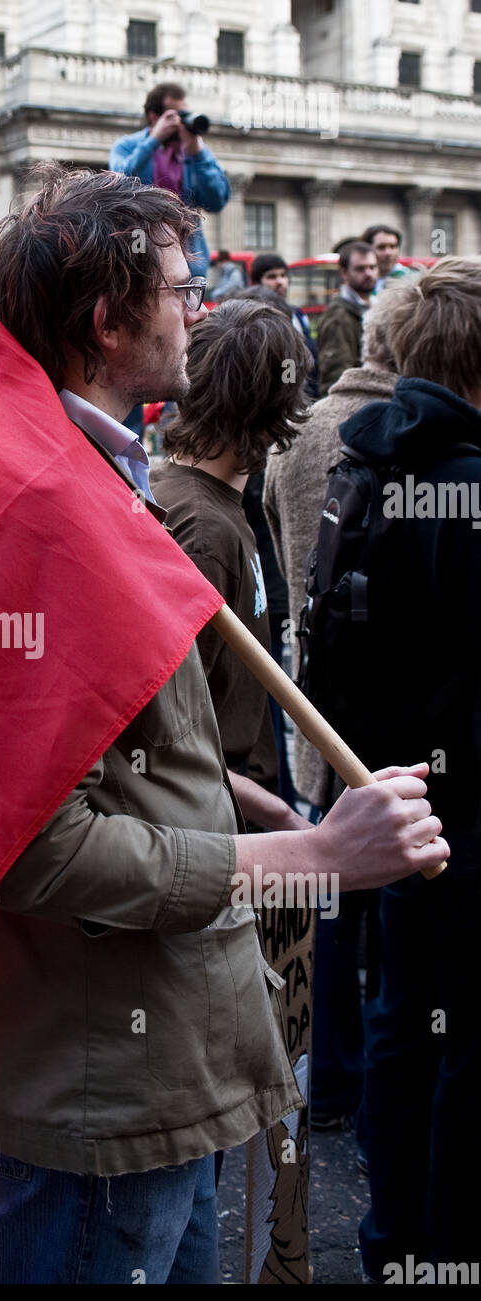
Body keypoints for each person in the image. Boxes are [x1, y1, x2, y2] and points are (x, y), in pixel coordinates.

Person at [0, 164, 448, 1286]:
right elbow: (31, 843)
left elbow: (115, 755)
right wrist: (308, 855)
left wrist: (224, 790)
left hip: (157, 1048)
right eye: (178, 286)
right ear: (107, 322)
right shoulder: (41, 513)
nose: (197, 308)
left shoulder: (99, 480)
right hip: (101, 1070)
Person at [326, 257, 481, 1284]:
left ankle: (394, 1242)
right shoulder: (463, 480)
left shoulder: (363, 460)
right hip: (462, 798)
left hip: (393, 788)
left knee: (401, 1018)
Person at [263, 286, 404, 1139]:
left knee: (331, 892)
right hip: (383, 695)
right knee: (386, 900)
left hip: (311, 680)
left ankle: (329, 1074)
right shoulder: (399, 439)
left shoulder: (306, 428)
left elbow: (284, 555)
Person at [151, 298, 311, 834]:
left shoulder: (197, 498)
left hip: (237, 796)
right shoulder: (204, 531)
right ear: (278, 409)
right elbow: (166, 732)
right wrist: (283, 817)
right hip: (218, 817)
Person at [108, 82, 230, 279]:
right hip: (140, 248)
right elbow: (120, 181)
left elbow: (216, 201)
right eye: (175, 116)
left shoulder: (195, 152)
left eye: (184, 115)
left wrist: (198, 156)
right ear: (154, 117)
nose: (182, 122)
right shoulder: (128, 145)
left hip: (188, 259)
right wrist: (153, 140)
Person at [249, 252, 319, 396]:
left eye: (283, 275)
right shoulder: (252, 318)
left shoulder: (298, 314)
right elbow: (287, 363)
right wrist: (289, 393)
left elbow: (306, 356)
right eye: (272, 276)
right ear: (256, 282)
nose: (280, 281)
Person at [316, 240, 378, 396]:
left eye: (372, 267)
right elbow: (335, 377)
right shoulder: (338, 315)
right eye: (360, 269)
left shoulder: (376, 306)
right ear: (344, 273)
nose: (368, 273)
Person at [360, 223, 410, 293]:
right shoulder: (358, 281)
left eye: (393, 246)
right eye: (381, 247)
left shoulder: (410, 280)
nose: (388, 253)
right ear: (367, 250)